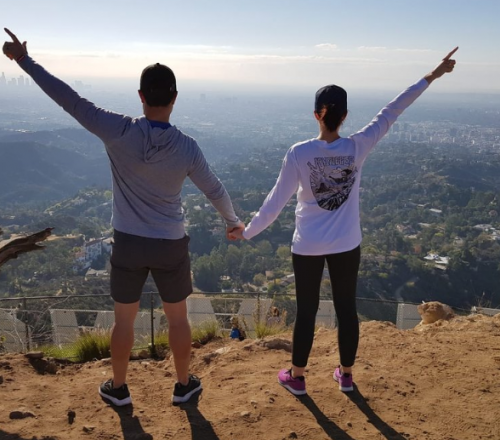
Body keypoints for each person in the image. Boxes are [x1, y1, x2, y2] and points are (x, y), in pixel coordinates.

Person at [3, 28, 244, 405]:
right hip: (170, 244)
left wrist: (24, 61)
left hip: (129, 243)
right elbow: (214, 189)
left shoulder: (118, 130)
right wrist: (233, 222)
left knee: (123, 321)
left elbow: (69, 99)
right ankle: (183, 386)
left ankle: (118, 388)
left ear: (141, 96)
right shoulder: (187, 147)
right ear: (175, 98)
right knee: (179, 320)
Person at [230, 48, 458, 396]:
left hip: (306, 245)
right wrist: (433, 74)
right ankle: (346, 375)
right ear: (345, 115)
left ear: (315, 115)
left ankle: (298, 377)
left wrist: (247, 232)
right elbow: (393, 109)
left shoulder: (299, 153)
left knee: (306, 312)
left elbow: (276, 201)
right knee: (346, 309)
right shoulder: (357, 146)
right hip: (347, 243)